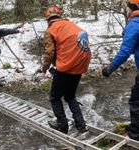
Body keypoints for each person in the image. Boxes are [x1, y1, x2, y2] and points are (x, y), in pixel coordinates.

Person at [41, 6, 91, 134]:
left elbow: (49, 52)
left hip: (66, 66)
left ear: (48, 19)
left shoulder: (51, 30)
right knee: (70, 96)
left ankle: (62, 126)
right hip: (79, 65)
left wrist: (44, 68)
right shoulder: (71, 26)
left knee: (54, 97)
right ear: (59, 15)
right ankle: (81, 125)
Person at [102, 0, 139, 141]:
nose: (126, 10)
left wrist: (110, 68)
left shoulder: (135, 24)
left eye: (127, 7)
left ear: (133, 7)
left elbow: (125, 52)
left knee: (136, 101)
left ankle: (134, 135)